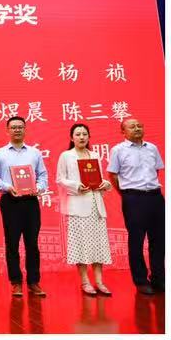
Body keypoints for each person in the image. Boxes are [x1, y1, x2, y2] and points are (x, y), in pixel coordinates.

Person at [0, 115, 49, 297]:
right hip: (10, 201)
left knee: (32, 244)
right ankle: (15, 282)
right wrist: (8, 187)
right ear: (7, 131)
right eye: (13, 127)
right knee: (12, 243)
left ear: (25, 129)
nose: (17, 130)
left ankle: (33, 281)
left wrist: (38, 188)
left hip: (30, 202)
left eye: (20, 127)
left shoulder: (34, 153)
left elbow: (43, 175)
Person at [107, 116, 164, 295]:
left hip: (155, 197)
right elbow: (113, 175)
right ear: (123, 132)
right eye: (132, 126)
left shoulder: (152, 148)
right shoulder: (118, 150)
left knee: (159, 240)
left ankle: (159, 278)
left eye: (139, 125)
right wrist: (126, 193)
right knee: (136, 240)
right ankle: (140, 280)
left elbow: (156, 170)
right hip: (133, 198)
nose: (137, 128)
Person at [56, 122, 113, 296]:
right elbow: (60, 179)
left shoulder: (94, 155)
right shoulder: (66, 156)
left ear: (89, 137)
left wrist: (105, 184)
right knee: (80, 245)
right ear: (71, 137)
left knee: (99, 244)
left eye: (84, 134)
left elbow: (99, 178)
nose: (81, 137)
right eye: (78, 134)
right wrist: (76, 186)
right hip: (78, 205)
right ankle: (85, 282)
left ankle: (100, 282)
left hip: (96, 205)